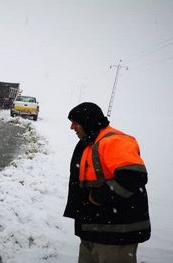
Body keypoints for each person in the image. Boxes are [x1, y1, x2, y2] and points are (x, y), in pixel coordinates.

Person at [64, 102, 150, 263]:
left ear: (87, 121)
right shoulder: (90, 142)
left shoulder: (113, 141)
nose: (72, 127)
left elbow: (133, 176)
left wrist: (98, 197)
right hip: (93, 230)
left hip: (115, 235)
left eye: (75, 122)